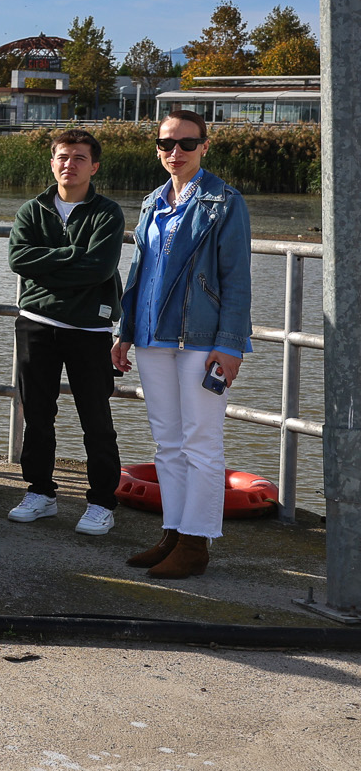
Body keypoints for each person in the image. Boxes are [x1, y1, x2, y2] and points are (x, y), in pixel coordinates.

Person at [111, 111, 251, 578]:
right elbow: (140, 273)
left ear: (205, 147)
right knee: (167, 442)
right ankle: (172, 531)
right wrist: (125, 332)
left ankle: (196, 543)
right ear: (157, 148)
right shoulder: (153, 201)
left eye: (187, 144)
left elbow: (236, 281)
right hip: (152, 337)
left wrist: (230, 346)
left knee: (201, 443)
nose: (176, 152)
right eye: (167, 143)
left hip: (200, 340)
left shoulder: (225, 202)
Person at [6, 128, 126, 537]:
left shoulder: (107, 213)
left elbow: (100, 268)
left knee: (96, 418)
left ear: (93, 166)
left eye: (78, 158)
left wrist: (50, 265)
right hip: (36, 325)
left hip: (89, 329)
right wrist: (74, 256)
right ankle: (41, 492)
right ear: (52, 162)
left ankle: (102, 502)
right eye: (62, 156)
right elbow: (19, 259)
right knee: (37, 415)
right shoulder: (32, 210)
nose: (68, 164)